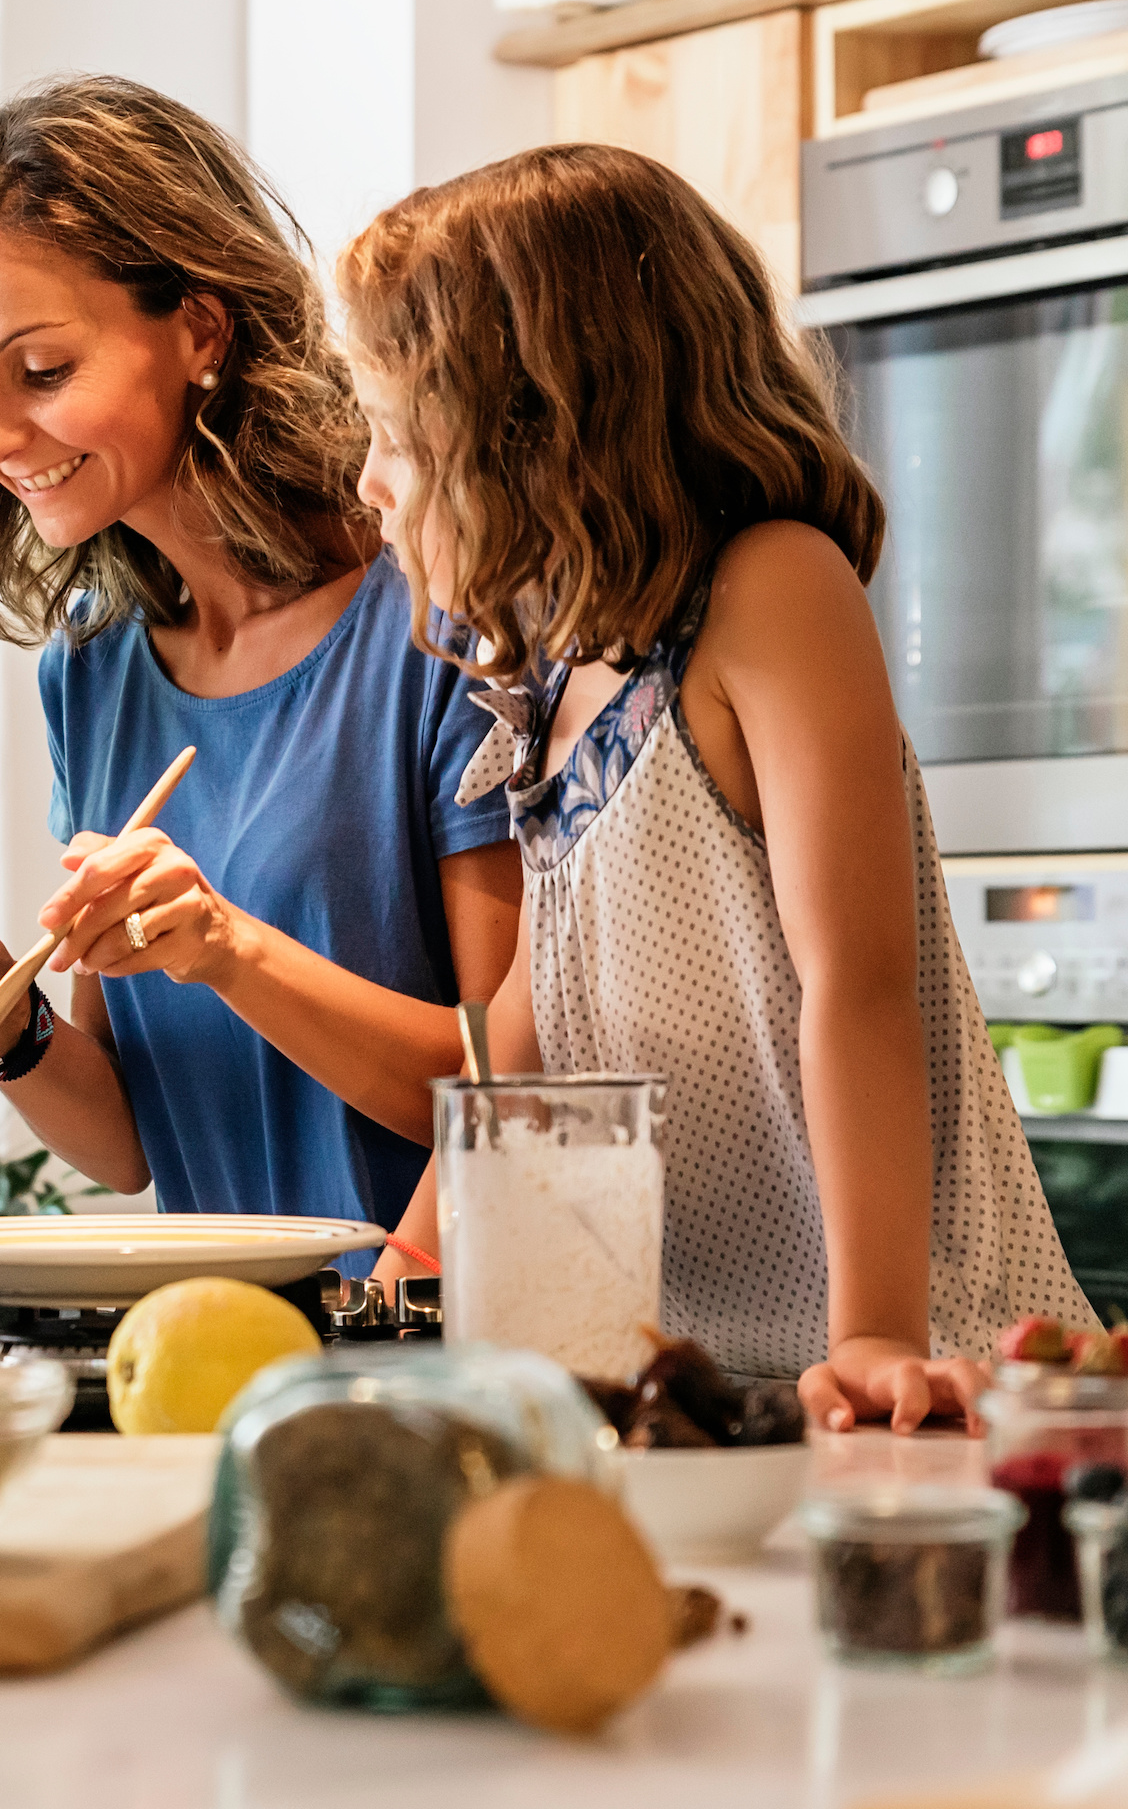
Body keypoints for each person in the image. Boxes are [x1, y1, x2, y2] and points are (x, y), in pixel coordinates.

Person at [342, 143, 1094, 1428]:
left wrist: (872, 1332)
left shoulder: (772, 590)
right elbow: (528, 1026)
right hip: (700, 1375)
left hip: (912, 1359)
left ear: (536, 419)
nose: (369, 481)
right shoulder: (551, 667)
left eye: (396, 435)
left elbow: (854, 981)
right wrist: (396, 1280)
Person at [0, 76, 520, 1256]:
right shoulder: (92, 668)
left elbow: (510, 1096)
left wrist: (229, 948)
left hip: (418, 1365)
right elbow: (132, 1138)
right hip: (218, 1352)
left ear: (198, 329)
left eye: (39, 370)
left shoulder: (439, 621)